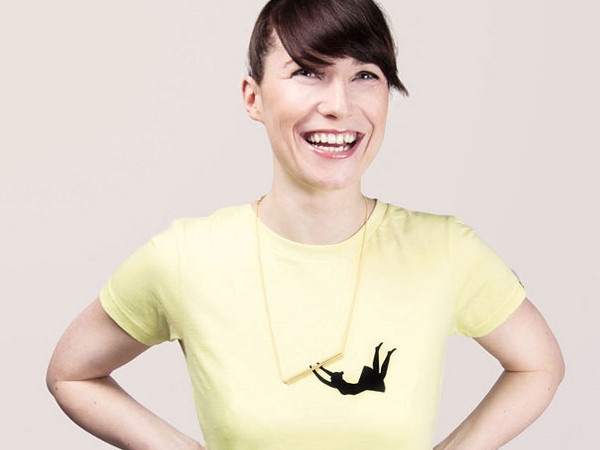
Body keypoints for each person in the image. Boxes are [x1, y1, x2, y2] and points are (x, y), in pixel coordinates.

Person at [46, 0, 565, 449]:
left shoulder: (444, 250)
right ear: (253, 97)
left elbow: (540, 364)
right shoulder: (187, 257)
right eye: (307, 72)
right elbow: (71, 373)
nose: (339, 105)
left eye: (366, 75)